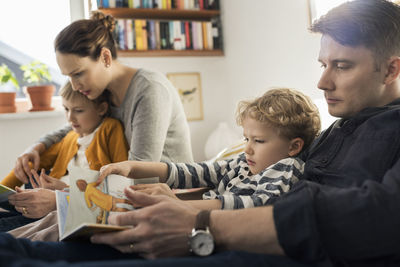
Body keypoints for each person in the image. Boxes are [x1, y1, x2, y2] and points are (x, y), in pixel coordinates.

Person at [0, 0, 399, 266]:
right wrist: (178, 202)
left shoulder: (388, 131)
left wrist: (198, 222)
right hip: (233, 231)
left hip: (262, 247)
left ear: (392, 69)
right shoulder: (334, 132)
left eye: (342, 66)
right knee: (23, 241)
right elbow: (217, 174)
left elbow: (375, 215)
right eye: (323, 64)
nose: (323, 82)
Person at [6, 11, 193, 219]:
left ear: (105, 57)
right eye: (68, 77)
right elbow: (74, 127)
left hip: (163, 200)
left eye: (78, 73)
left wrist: (62, 196)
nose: (75, 86)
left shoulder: (149, 91)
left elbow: (139, 179)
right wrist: (37, 147)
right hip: (120, 199)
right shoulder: (104, 92)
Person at [98, 88, 321, 210]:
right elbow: (197, 171)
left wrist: (179, 204)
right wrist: (133, 167)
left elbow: (258, 205)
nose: (248, 149)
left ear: (294, 147)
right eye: (246, 139)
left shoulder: (287, 167)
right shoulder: (244, 163)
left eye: (259, 141)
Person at [0, 81, 128, 230]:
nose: (70, 118)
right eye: (66, 109)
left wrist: (64, 189)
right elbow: (30, 165)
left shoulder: (110, 128)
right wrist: (4, 188)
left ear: (101, 108)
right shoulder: (70, 138)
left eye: (78, 110)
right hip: (51, 204)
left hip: (74, 207)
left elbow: (121, 180)